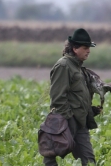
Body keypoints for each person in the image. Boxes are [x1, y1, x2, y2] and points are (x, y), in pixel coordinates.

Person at [43, 28, 102, 166]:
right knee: (51, 156)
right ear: (75, 48)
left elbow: (77, 95)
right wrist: (69, 118)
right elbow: (57, 97)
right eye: (85, 47)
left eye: (89, 47)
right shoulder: (64, 66)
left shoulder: (78, 67)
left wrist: (89, 110)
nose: (89, 51)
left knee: (89, 161)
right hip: (66, 121)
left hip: (80, 122)